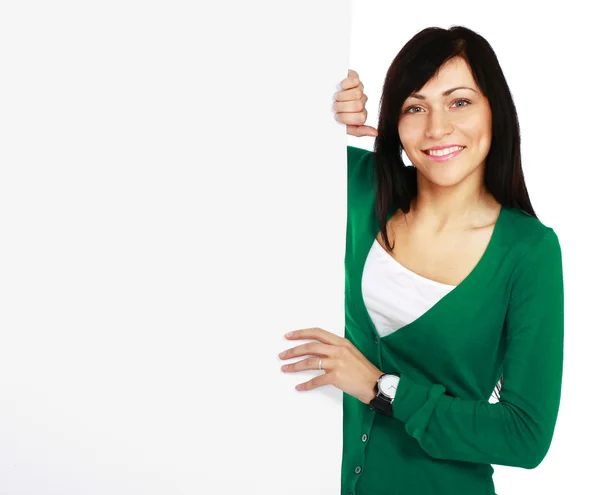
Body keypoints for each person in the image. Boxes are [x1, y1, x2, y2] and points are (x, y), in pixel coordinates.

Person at [278, 25, 564, 495]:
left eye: (459, 102)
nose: (436, 128)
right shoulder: (358, 186)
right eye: (415, 107)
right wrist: (321, 119)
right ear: (394, 122)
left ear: (495, 110)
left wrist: (380, 388)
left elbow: (524, 437)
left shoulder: (528, 252)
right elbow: (236, 148)